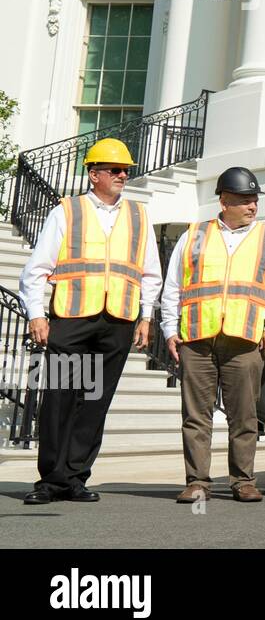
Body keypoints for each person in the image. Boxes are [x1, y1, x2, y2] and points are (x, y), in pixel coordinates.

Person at [18, 137, 161, 504]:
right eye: (115, 170)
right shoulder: (67, 211)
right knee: (59, 398)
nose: (122, 175)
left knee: (95, 400)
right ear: (93, 173)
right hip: (71, 319)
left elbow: (149, 273)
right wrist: (37, 314)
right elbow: (36, 269)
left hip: (117, 322)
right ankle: (51, 479)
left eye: (126, 170)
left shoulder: (138, 215)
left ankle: (76, 477)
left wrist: (146, 316)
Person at [160, 166, 265, 504]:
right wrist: (168, 330)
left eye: (254, 200)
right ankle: (197, 483)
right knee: (195, 415)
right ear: (224, 201)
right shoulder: (193, 235)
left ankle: (243, 481)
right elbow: (173, 286)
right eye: (245, 200)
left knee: (244, 415)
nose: (252, 206)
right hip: (197, 337)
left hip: (245, 339)